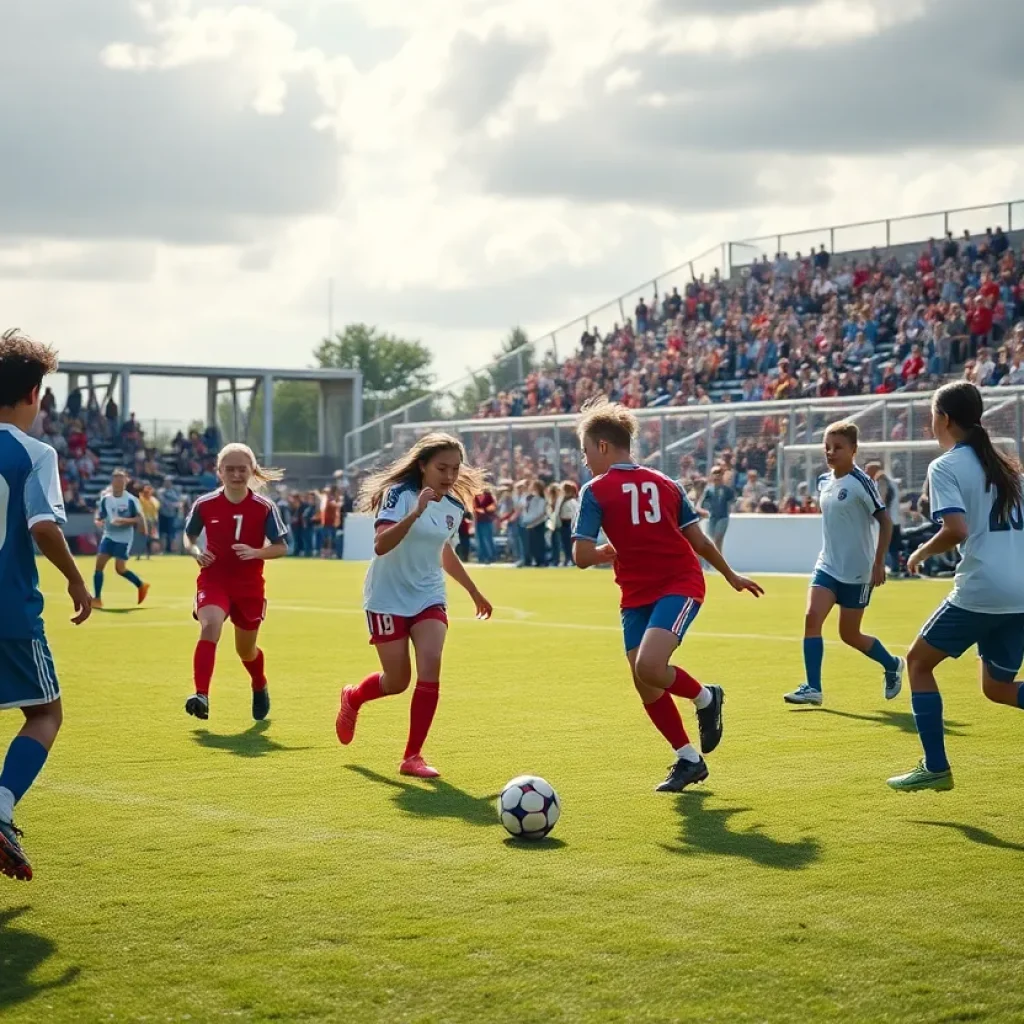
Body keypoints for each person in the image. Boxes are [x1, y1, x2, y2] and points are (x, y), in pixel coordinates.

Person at [571, 399, 764, 793]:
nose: (585, 460)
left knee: (649, 666)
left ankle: (706, 697)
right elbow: (700, 541)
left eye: (586, 451)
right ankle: (689, 759)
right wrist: (730, 575)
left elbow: (580, 556)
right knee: (645, 680)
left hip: (677, 585)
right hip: (637, 593)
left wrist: (605, 551)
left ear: (603, 446)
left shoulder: (595, 491)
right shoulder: (666, 482)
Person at [888, 382, 1024, 792]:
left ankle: (935, 767)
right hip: (1019, 591)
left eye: (933, 415)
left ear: (944, 418)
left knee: (917, 663)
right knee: (996, 688)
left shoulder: (946, 466)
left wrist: (919, 553)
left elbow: (956, 529)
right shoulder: (1009, 468)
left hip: (983, 588)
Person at [335, 433, 493, 779]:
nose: (449, 476)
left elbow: (444, 550)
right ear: (422, 465)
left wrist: (474, 591)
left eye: (455, 469)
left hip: (428, 594)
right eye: (442, 468)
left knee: (431, 662)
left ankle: (412, 756)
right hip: (387, 596)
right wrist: (416, 512)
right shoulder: (399, 495)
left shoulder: (454, 507)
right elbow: (381, 544)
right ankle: (353, 698)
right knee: (397, 681)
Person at [0, 329, 92, 881]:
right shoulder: (34, 453)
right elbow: (42, 526)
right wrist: (77, 581)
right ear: (34, 394)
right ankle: (1, 807)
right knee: (45, 713)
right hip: (10, 611)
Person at [784, 422, 904, 707]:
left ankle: (892, 664)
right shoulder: (823, 481)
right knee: (812, 617)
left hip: (858, 572)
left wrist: (879, 563)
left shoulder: (862, 482)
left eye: (837, 447)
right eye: (827, 447)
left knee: (849, 635)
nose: (830, 452)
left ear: (853, 449)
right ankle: (813, 688)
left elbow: (885, 522)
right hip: (827, 565)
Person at [182, 444, 289, 722]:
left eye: (242, 469)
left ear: (251, 471)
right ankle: (201, 695)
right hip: (213, 579)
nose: (236, 475)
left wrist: (256, 552)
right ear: (219, 471)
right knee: (210, 626)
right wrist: (196, 552)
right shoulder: (204, 504)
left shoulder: (264, 507)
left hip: (249, 587)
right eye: (229, 469)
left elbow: (281, 546)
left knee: (246, 650)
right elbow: (189, 537)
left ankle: (259, 683)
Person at [92, 469, 149, 608]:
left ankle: (141, 585)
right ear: (112, 481)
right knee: (99, 566)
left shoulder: (131, 500)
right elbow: (102, 515)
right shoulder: (106, 499)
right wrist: (98, 520)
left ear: (125, 482)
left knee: (120, 569)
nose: (118, 482)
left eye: (121, 479)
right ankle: (97, 599)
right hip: (109, 535)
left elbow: (139, 518)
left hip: (124, 538)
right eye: (116, 479)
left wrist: (129, 522)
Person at [699, 465, 735, 552]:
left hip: (723, 517)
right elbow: (702, 504)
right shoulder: (708, 490)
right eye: (715, 473)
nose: (717, 476)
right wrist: (704, 512)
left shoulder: (727, 490)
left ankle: (718, 560)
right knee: (711, 541)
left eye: (719, 473)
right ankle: (715, 559)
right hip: (712, 518)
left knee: (718, 540)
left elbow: (732, 502)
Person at [156, 476, 183, 554]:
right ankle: (162, 550)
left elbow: (180, 501)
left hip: (172, 515)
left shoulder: (175, 492)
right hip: (162, 515)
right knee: (162, 534)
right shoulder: (160, 491)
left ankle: (173, 550)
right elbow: (162, 501)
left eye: (169, 481)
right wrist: (173, 505)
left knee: (172, 534)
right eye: (166, 481)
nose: (167, 483)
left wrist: (178, 504)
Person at [473, 486, 498, 565]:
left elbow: (493, 507)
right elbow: (474, 508)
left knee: (487, 539)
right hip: (478, 521)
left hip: (487, 521)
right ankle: (481, 557)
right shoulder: (475, 497)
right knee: (479, 540)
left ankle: (491, 557)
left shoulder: (489, 496)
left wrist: (484, 510)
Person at [137, 483, 160, 559]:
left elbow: (155, 511)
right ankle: (139, 554)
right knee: (141, 538)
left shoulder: (154, 500)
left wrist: (155, 521)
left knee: (148, 539)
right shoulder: (141, 499)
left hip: (151, 521)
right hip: (142, 521)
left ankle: (147, 554)